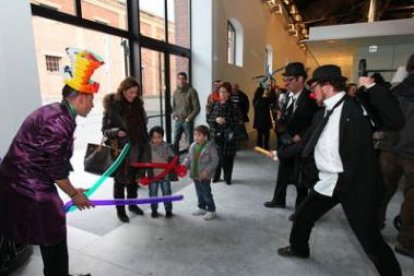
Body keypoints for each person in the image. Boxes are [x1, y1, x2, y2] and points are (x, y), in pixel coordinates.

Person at [277, 65, 402, 276]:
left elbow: (395, 120)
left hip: (356, 185)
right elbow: (307, 142)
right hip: (330, 181)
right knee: (303, 216)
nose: (311, 91)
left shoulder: (357, 107)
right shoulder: (321, 113)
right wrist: (280, 154)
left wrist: (373, 88)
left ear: (327, 86)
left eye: (314, 86)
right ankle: (299, 248)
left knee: (370, 240)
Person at [0, 48, 102, 276]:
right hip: (25, 183)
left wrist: (73, 189)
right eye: (92, 100)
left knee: (50, 230)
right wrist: (75, 195)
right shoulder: (59, 121)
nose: (93, 105)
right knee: (53, 226)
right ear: (81, 97)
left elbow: (54, 161)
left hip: (27, 179)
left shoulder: (59, 114)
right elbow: (55, 169)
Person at [264, 62, 318, 209]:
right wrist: (280, 121)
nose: (286, 83)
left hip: (300, 146)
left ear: (301, 79)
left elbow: (315, 123)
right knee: (282, 173)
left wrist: (302, 135)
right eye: (285, 80)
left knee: (300, 179)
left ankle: (300, 208)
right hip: (285, 141)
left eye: (290, 80)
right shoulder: (288, 96)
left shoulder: (311, 99)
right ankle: (279, 199)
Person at [377, 53, 414, 258]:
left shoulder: (398, 89)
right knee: (412, 201)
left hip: (390, 149)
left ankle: (373, 227)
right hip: (412, 154)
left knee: (381, 191)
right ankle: (406, 242)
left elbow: (385, 117)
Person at [102, 77, 148, 223]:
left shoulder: (138, 105)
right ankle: (121, 211)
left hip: (136, 147)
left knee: (134, 180)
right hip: (120, 149)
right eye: (131, 92)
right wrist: (116, 132)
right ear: (123, 90)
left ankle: (132, 205)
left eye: (136, 93)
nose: (133, 95)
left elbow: (143, 127)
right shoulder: (113, 106)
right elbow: (105, 130)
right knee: (120, 181)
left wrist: (146, 144)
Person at [207, 82, 241, 185]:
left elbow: (238, 121)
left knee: (227, 158)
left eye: (224, 92)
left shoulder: (234, 106)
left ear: (229, 93)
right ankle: (216, 176)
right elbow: (208, 118)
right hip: (215, 135)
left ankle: (227, 177)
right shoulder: (215, 104)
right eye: (220, 91)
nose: (222, 94)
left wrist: (225, 121)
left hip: (227, 136)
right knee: (216, 157)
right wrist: (215, 120)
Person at [184, 125, 219, 220]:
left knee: (206, 193)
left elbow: (215, 161)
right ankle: (202, 207)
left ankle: (211, 210)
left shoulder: (210, 147)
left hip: (204, 175)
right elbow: (188, 158)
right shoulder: (192, 146)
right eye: (195, 134)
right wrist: (184, 165)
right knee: (199, 192)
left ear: (205, 136)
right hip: (195, 174)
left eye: (199, 135)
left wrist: (206, 172)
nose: (196, 137)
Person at [146, 126, 176, 219]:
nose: (157, 140)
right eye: (154, 137)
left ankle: (168, 210)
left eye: (159, 137)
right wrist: (140, 175)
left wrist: (168, 157)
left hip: (165, 176)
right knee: (153, 194)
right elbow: (143, 162)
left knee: (167, 193)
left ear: (162, 137)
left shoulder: (166, 146)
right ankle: (154, 210)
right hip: (153, 177)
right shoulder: (148, 148)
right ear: (151, 138)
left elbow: (174, 158)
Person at [171, 72, 200, 153]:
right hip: (178, 121)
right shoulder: (175, 92)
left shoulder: (192, 91)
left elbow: (197, 108)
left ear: (186, 80)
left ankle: (191, 160)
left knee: (190, 142)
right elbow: (173, 107)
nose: (181, 81)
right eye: (179, 79)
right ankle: (175, 160)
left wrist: (189, 118)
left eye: (183, 79)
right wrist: (174, 115)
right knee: (175, 141)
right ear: (177, 80)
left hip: (187, 121)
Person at [252, 84, 274, 150]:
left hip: (258, 120)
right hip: (265, 120)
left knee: (259, 135)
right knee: (267, 135)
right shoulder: (265, 100)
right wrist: (271, 90)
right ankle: (266, 147)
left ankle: (259, 147)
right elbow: (272, 99)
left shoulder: (255, 100)